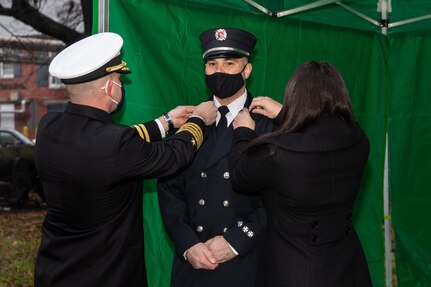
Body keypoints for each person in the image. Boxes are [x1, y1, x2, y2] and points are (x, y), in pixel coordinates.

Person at [33, 32, 217, 287]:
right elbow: (172, 157)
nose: (120, 87)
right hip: (106, 275)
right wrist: (199, 120)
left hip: (56, 271)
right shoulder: (115, 144)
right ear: (110, 88)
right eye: (119, 80)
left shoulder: (48, 126)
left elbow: (110, 142)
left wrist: (165, 123)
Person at [228, 61, 373, 287]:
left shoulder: (277, 152)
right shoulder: (358, 138)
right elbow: (321, 135)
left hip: (296, 269)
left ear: (295, 95)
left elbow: (239, 175)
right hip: (349, 264)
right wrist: (286, 115)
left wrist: (243, 133)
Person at [157, 28, 274, 286]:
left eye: (230, 63)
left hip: (246, 262)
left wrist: (235, 241)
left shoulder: (268, 125)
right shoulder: (190, 122)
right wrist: (188, 244)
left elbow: (278, 197)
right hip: (194, 265)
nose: (218, 71)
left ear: (247, 70)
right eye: (212, 63)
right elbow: (169, 189)